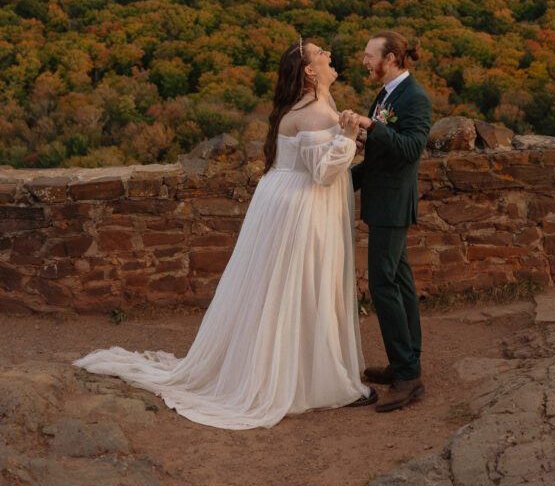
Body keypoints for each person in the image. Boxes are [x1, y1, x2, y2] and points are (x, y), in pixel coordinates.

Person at [74, 38, 376, 429]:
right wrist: (349, 138)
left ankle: (301, 372)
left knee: (280, 288)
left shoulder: (314, 105)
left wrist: (347, 134)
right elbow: (322, 172)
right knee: (301, 284)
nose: (330, 56)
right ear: (308, 71)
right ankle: (315, 382)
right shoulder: (317, 110)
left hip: (281, 201)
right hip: (303, 207)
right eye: (322, 54)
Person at [351, 31, 433, 413]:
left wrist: (371, 128)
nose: (364, 61)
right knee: (399, 281)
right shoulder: (384, 95)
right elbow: (382, 154)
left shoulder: (414, 97)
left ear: (393, 57)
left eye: (370, 55)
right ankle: (407, 364)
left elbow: (410, 149)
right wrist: (346, 182)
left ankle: (407, 377)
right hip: (381, 200)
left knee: (384, 286)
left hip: (394, 205)